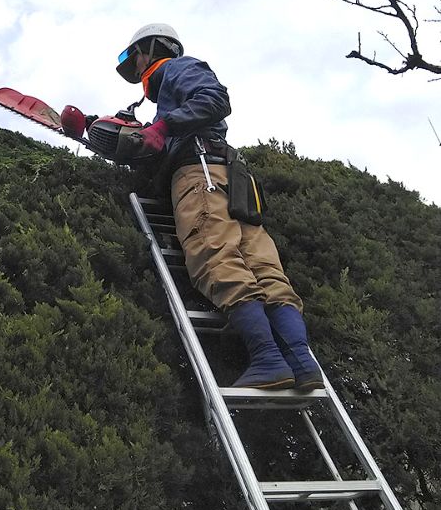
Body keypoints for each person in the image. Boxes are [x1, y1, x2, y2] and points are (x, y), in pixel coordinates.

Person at [115, 23, 322, 391]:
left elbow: (214, 100)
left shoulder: (177, 69)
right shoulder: (172, 100)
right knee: (263, 267)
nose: (136, 68)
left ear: (152, 49)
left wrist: (162, 126)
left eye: (134, 58)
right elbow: (168, 138)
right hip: (229, 178)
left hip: (201, 177)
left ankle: (268, 358)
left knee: (215, 255)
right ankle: (302, 363)